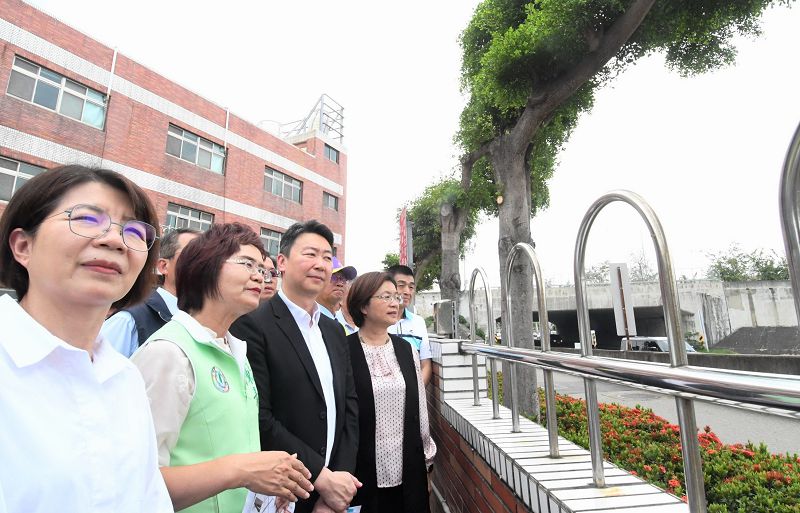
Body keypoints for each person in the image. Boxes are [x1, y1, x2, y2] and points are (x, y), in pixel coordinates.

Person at [0, 164, 172, 512]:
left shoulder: (126, 379)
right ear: (23, 246)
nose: (115, 240)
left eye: (134, 231)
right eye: (87, 219)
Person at [132, 223, 313, 513]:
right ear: (205, 267)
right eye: (247, 264)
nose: (260, 276)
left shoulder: (236, 350)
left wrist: (265, 487)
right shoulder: (168, 353)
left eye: (263, 269)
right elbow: (137, 483)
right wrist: (242, 472)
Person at [231, 220, 361, 513]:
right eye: (310, 254)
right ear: (282, 262)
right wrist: (320, 478)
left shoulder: (333, 330)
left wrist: (337, 485)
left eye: (327, 257)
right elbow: (260, 417)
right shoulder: (252, 324)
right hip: (284, 490)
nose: (320, 264)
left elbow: (349, 406)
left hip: (334, 493)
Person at [345, 272, 436, 513]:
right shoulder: (344, 351)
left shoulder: (406, 350)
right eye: (386, 297)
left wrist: (427, 464)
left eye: (396, 297)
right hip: (362, 472)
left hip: (409, 469)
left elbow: (420, 410)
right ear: (363, 306)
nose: (395, 302)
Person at [101, 228, 200, 356]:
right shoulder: (129, 320)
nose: (204, 263)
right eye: (194, 254)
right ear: (163, 266)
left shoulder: (203, 325)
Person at [386, 265, 433, 385]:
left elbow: (426, 365)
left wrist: (416, 392)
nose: (407, 291)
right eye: (401, 285)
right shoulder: (378, 321)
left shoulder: (418, 322)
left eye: (411, 287)